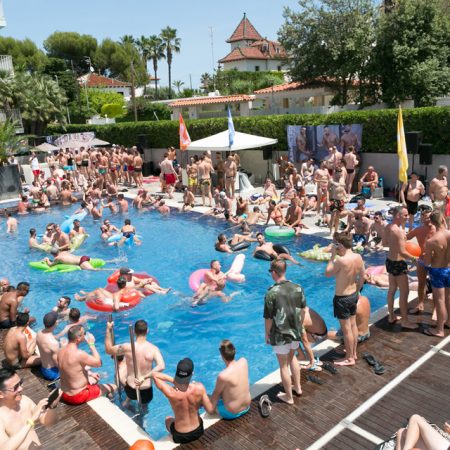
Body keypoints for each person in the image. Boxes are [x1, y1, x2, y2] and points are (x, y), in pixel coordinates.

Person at [264, 259, 306, 404]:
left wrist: (267, 333)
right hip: (295, 331)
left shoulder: (271, 292)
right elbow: (303, 310)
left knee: (283, 366)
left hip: (280, 334)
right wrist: (300, 326)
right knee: (292, 358)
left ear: (274, 272)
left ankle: (289, 397)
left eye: (271, 272)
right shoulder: (298, 288)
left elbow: (268, 318)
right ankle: (298, 388)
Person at [105, 319, 165, 411]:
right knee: (144, 407)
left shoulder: (126, 347)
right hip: (146, 389)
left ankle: (127, 403)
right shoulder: (153, 349)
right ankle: (143, 415)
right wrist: (144, 377)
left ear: (134, 331)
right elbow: (161, 366)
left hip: (131, 388)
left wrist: (108, 330)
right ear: (147, 331)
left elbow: (108, 350)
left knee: (128, 391)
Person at [325, 232, 365, 366]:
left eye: (337, 244)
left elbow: (327, 273)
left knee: (347, 329)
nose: (336, 247)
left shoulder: (341, 261)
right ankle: (353, 353)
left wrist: (332, 256)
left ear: (341, 245)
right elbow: (362, 276)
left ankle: (349, 358)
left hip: (342, 298)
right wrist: (358, 291)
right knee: (353, 326)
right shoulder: (358, 257)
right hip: (353, 294)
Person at [152, 358, 212, 445]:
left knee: (168, 419)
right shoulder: (199, 387)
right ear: (192, 373)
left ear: (177, 374)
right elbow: (209, 409)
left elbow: (154, 375)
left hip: (180, 435)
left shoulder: (171, 392)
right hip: (198, 431)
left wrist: (175, 381)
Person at [0, 368, 60, 449]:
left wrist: (52, 406)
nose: (21, 388)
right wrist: (31, 421)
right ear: (1, 394)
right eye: (15, 387)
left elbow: (48, 422)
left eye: (20, 383)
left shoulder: (24, 400)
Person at [58, 325, 116, 405]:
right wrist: (91, 344)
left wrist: (90, 374)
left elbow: (72, 370)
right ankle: (111, 403)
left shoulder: (60, 350)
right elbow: (98, 363)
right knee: (114, 387)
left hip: (64, 393)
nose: (85, 335)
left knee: (95, 378)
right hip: (78, 396)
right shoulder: (79, 354)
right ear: (78, 338)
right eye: (84, 333)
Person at [382, 205, 418, 329]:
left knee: (392, 289)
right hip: (398, 263)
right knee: (404, 292)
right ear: (398, 215)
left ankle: (391, 316)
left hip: (389, 261)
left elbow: (384, 243)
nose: (407, 217)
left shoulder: (388, 227)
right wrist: (414, 259)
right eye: (405, 215)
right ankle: (405, 321)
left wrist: (395, 244)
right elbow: (403, 252)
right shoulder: (399, 231)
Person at [208, 339, 251, 420]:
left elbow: (214, 398)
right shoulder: (244, 361)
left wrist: (210, 409)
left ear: (222, 356)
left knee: (206, 396)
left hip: (232, 413)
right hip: (247, 407)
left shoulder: (223, 375)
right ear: (235, 351)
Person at [423, 211, 450, 337]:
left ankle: (439, 330)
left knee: (440, 300)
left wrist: (426, 256)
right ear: (443, 220)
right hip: (449, 269)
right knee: (448, 298)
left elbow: (427, 262)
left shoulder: (431, 241)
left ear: (432, 223)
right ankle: (449, 321)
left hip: (438, 271)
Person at [406, 208, 436, 314]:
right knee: (421, 284)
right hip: (422, 261)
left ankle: (435, 309)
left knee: (435, 286)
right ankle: (420, 304)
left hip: (435, 262)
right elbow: (405, 238)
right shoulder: (418, 230)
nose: (428, 219)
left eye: (430, 217)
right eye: (426, 217)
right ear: (422, 218)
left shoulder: (437, 230)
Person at [36, 312, 60, 381]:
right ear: (56, 323)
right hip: (52, 372)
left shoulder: (39, 332)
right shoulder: (54, 343)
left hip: (44, 367)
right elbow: (56, 363)